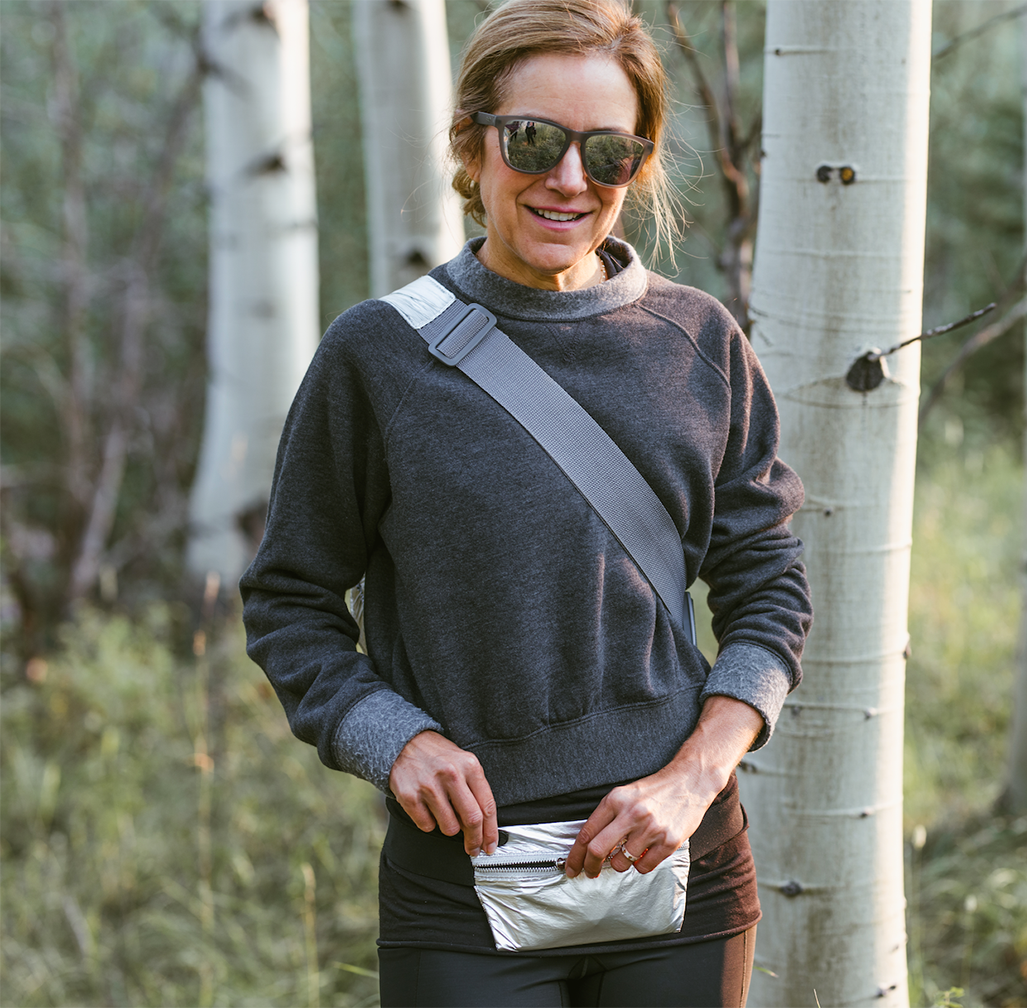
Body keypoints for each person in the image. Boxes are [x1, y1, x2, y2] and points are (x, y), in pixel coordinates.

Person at [239, 1, 812, 1004]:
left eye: (611, 152)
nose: (570, 179)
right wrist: (392, 736)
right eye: (535, 139)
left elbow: (772, 586)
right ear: (474, 142)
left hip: (682, 875)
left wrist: (694, 779)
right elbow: (289, 601)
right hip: (460, 886)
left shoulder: (700, 343)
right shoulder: (379, 357)